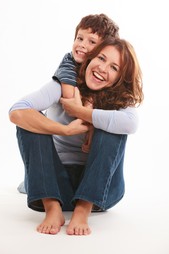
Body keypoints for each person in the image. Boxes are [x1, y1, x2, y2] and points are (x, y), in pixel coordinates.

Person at [9, 37, 143, 236]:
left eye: (114, 67)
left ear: (119, 78)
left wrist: (81, 112)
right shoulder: (64, 87)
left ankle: (83, 208)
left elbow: (131, 123)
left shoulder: (120, 100)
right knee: (30, 119)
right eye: (101, 58)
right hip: (54, 185)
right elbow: (17, 112)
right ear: (89, 58)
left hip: (101, 192)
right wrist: (65, 129)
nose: (103, 68)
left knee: (113, 125)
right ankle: (52, 207)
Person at [53, 13, 119, 153]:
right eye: (80, 38)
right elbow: (70, 98)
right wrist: (88, 119)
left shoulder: (101, 73)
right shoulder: (69, 64)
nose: (82, 45)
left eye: (92, 42)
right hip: (61, 147)